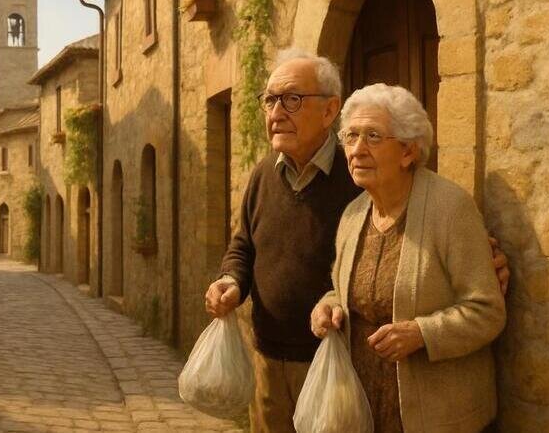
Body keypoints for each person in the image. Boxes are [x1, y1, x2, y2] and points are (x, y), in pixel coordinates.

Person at [203, 50, 510, 433]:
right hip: (308, 370)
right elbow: (334, 282)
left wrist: (424, 330)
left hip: (408, 403)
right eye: (270, 100)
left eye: (292, 99)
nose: (358, 149)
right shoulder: (350, 208)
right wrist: (321, 305)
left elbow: (479, 298)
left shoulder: (399, 192)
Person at [311, 83, 506, 432]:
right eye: (350, 136)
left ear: (408, 151)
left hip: (438, 417)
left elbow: (487, 311)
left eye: (372, 136)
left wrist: (422, 333)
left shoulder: (450, 208)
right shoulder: (353, 215)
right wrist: (328, 307)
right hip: (364, 410)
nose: (356, 149)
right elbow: (344, 292)